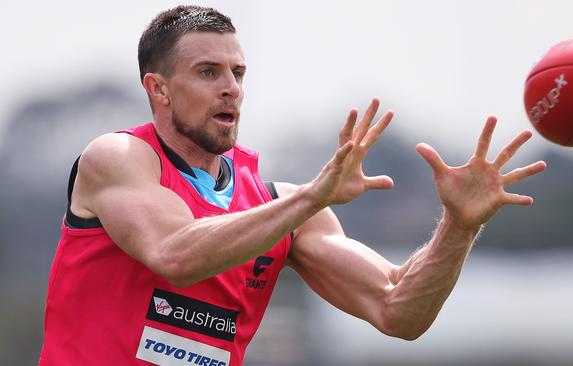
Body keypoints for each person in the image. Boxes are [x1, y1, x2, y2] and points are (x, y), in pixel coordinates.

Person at [39, 5, 546, 366]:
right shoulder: (118, 158)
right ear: (159, 88)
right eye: (207, 72)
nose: (230, 88)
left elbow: (398, 309)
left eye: (238, 72)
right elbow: (175, 255)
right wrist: (311, 197)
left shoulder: (282, 206)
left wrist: (457, 227)